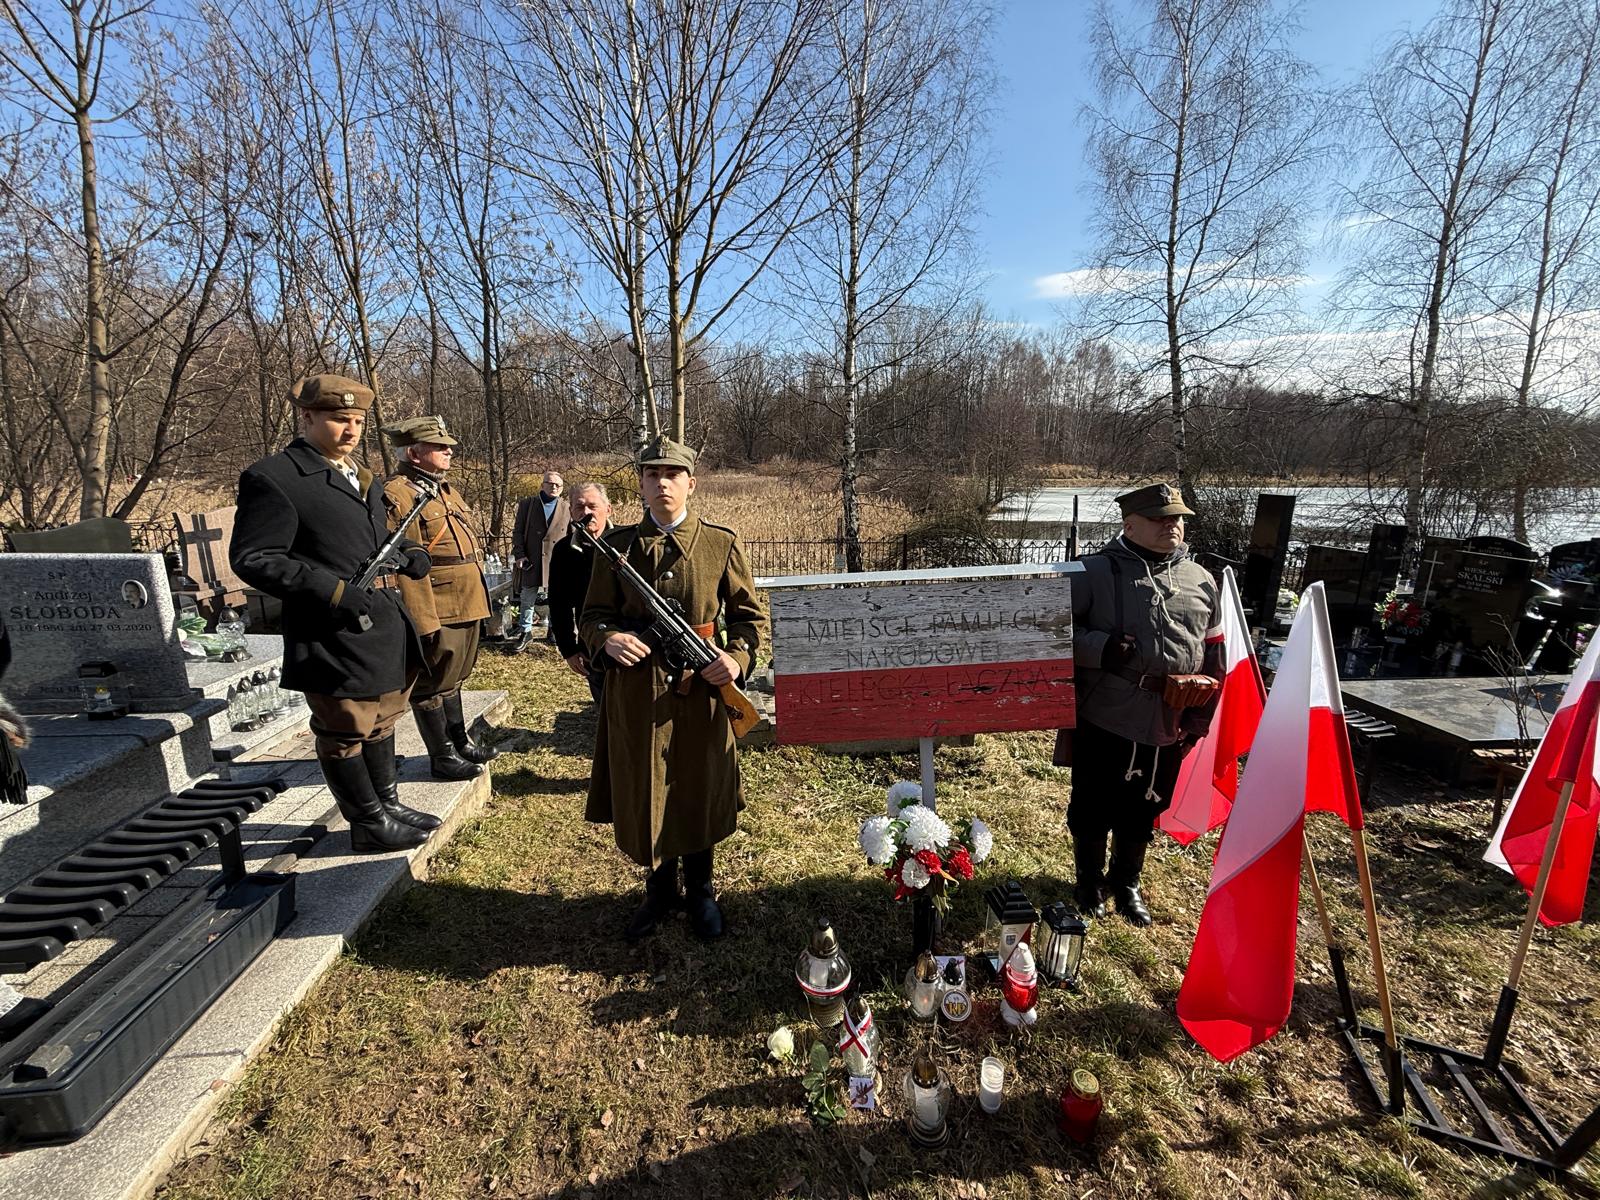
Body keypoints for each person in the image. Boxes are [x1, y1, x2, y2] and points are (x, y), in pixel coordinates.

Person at [231, 374, 437, 852]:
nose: (351, 430)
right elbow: (255, 558)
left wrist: (408, 552)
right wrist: (333, 591)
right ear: (307, 417)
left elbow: (372, 538)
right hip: (330, 626)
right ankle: (367, 823)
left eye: (358, 421)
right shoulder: (275, 477)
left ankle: (387, 805)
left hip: (380, 621)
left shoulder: (361, 476)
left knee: (382, 719)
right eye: (340, 419)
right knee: (344, 728)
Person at [581, 437, 767, 941]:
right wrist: (608, 638)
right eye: (652, 474)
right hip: (638, 693)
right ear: (641, 485)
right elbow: (592, 616)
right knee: (648, 783)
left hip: (702, 690)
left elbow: (751, 619)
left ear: (691, 483)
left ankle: (702, 891)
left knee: (699, 785)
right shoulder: (617, 548)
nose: (662, 482)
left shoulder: (720, 543)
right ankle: (660, 889)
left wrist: (736, 659)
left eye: (672, 474)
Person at [1066, 483, 1223, 926]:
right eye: (1159, 518)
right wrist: (1100, 648)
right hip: (1105, 713)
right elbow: (1051, 633)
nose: (1171, 525)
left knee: (1145, 804)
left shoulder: (1201, 579)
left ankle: (1127, 882)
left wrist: (1198, 720)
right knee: (1093, 801)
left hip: (1169, 717)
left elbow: (1215, 656)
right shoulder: (1091, 572)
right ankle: (1089, 880)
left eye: (1177, 518)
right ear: (1129, 525)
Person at [382, 416, 499, 781]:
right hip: (439, 603)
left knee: (454, 677)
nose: (449, 451)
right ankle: (442, 756)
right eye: (439, 446)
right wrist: (422, 617)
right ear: (413, 453)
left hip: (467, 600)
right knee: (432, 683)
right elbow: (406, 563)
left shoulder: (443, 488)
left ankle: (459, 742)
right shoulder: (398, 493)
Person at [547, 481, 614, 704]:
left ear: (608, 509)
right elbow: (559, 604)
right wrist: (568, 648)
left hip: (632, 639)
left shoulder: (627, 543)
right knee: (604, 708)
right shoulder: (564, 550)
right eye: (579, 507)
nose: (586, 512)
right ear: (571, 512)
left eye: (592, 506)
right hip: (591, 645)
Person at [510, 470, 569, 651]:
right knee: (527, 598)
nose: (554, 487)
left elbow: (573, 534)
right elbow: (518, 531)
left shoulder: (567, 507)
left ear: (562, 488)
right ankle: (525, 631)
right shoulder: (527, 505)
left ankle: (554, 629)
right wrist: (519, 554)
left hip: (557, 560)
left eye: (558, 485)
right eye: (550, 483)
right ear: (542, 485)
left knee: (557, 598)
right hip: (532, 559)